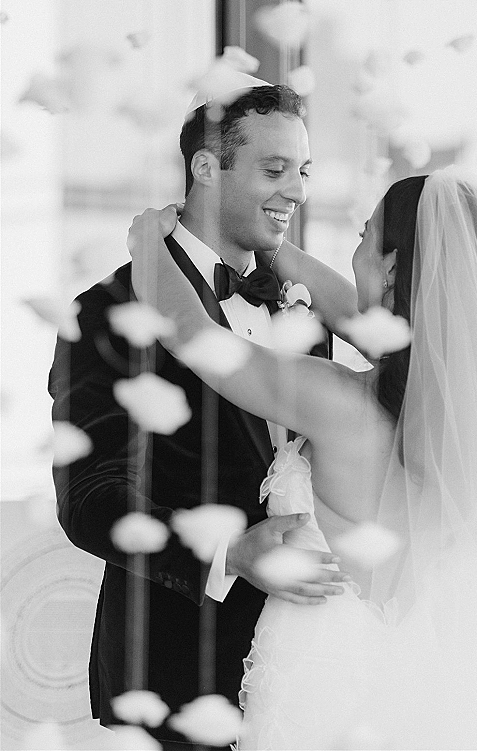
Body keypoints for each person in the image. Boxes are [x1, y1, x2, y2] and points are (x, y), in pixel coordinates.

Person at [129, 167, 477, 750]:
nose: (354, 253)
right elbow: (379, 321)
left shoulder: (333, 400)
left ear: (392, 268)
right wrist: (275, 246)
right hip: (423, 696)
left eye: (365, 238)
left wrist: (145, 242)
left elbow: (192, 332)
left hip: (320, 692)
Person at [49, 74, 343, 749]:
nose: (296, 190)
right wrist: (231, 551)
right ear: (206, 167)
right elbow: (90, 497)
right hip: (175, 673)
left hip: (305, 663)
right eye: (274, 169)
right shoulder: (107, 311)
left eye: (302, 170)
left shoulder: (301, 303)